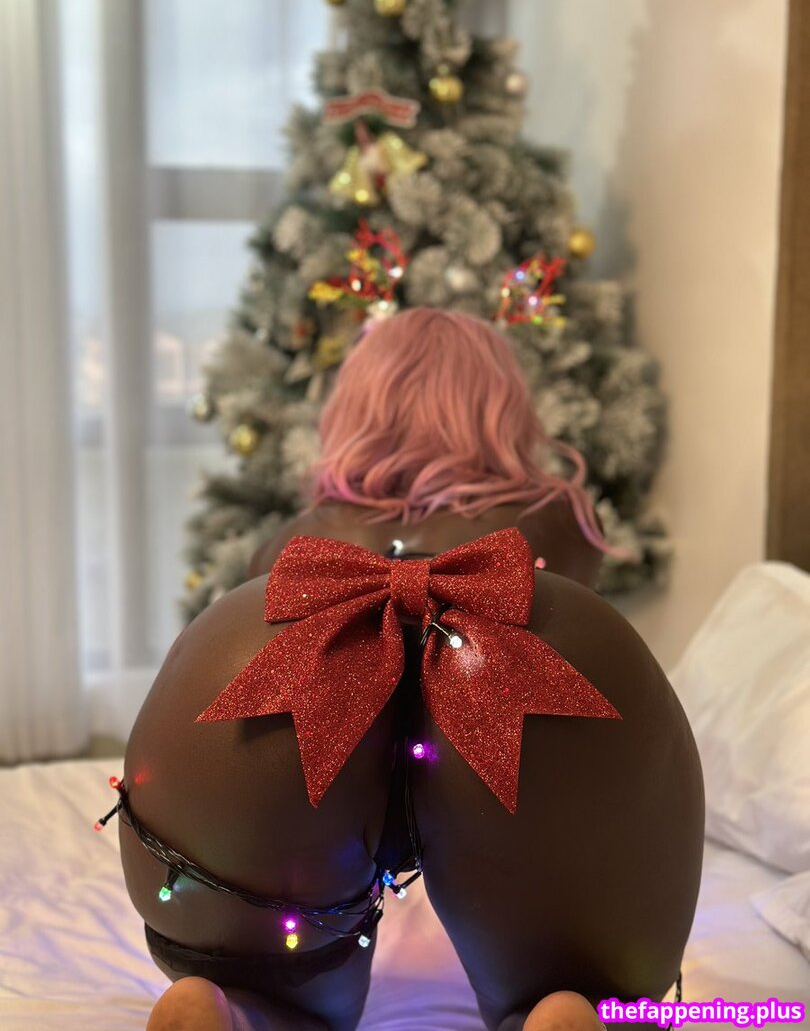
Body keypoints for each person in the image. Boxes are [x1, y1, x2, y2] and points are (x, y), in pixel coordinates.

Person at [119, 308, 704, 1031]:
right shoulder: (560, 517)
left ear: (353, 411)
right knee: (570, 969)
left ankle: (239, 1010)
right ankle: (557, 1006)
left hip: (292, 679)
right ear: (502, 408)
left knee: (281, 986)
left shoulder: (295, 541)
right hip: (507, 679)